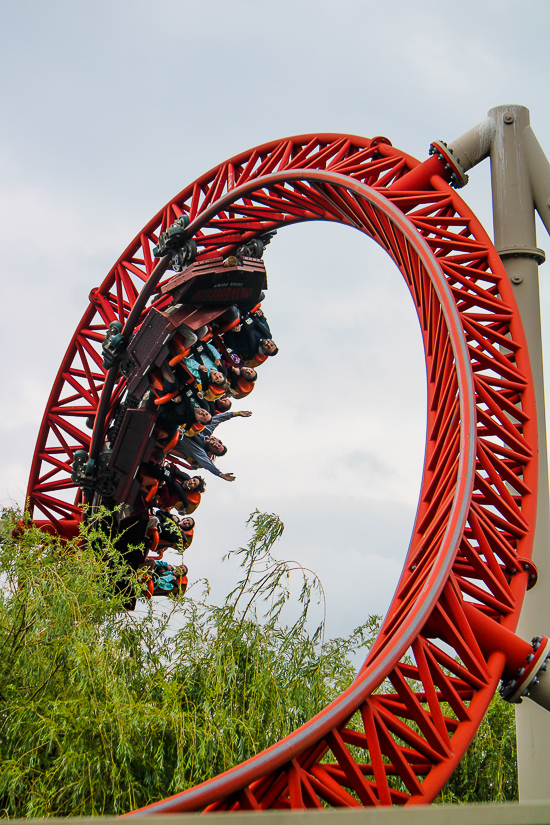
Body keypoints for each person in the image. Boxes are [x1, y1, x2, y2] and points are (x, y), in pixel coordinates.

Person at [171, 410, 252, 481]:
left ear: (212, 452)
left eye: (216, 449)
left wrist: (220, 474)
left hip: (169, 433)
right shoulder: (206, 431)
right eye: (219, 446)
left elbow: (208, 464)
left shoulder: (200, 451)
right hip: (175, 418)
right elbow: (218, 419)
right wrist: (236, 414)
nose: (216, 446)